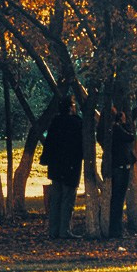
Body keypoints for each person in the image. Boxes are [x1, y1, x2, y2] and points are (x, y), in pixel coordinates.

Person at [40, 95, 83, 239]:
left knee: (56, 199)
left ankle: (53, 231)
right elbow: (81, 146)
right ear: (71, 107)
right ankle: (64, 231)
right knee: (68, 199)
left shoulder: (55, 122)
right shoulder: (77, 123)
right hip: (71, 166)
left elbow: (49, 143)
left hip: (56, 167)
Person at [98, 105, 137, 239]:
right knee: (118, 200)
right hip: (120, 166)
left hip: (111, 165)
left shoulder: (102, 130)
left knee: (113, 198)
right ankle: (116, 230)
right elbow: (130, 137)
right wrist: (125, 123)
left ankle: (111, 227)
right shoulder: (116, 128)